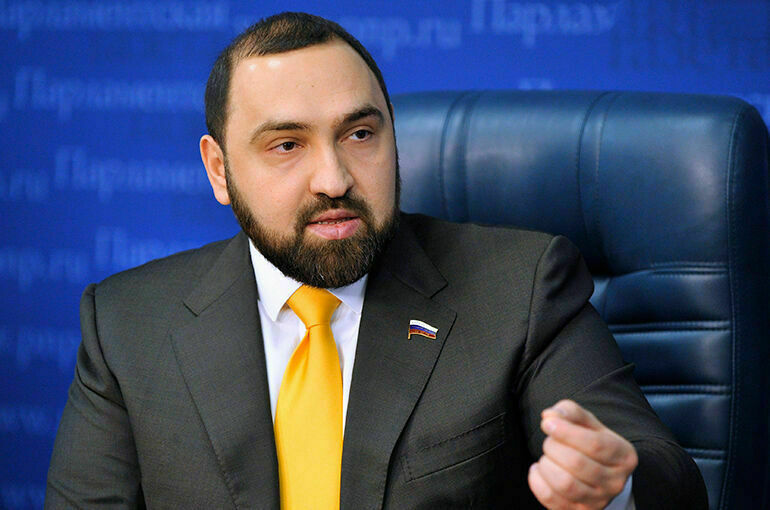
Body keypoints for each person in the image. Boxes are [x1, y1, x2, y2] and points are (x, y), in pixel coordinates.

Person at [45, 12, 707, 509]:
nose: (334, 178)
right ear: (219, 170)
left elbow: (667, 475)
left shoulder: (523, 289)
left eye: (360, 134)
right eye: (287, 146)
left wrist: (614, 486)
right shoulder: (127, 325)